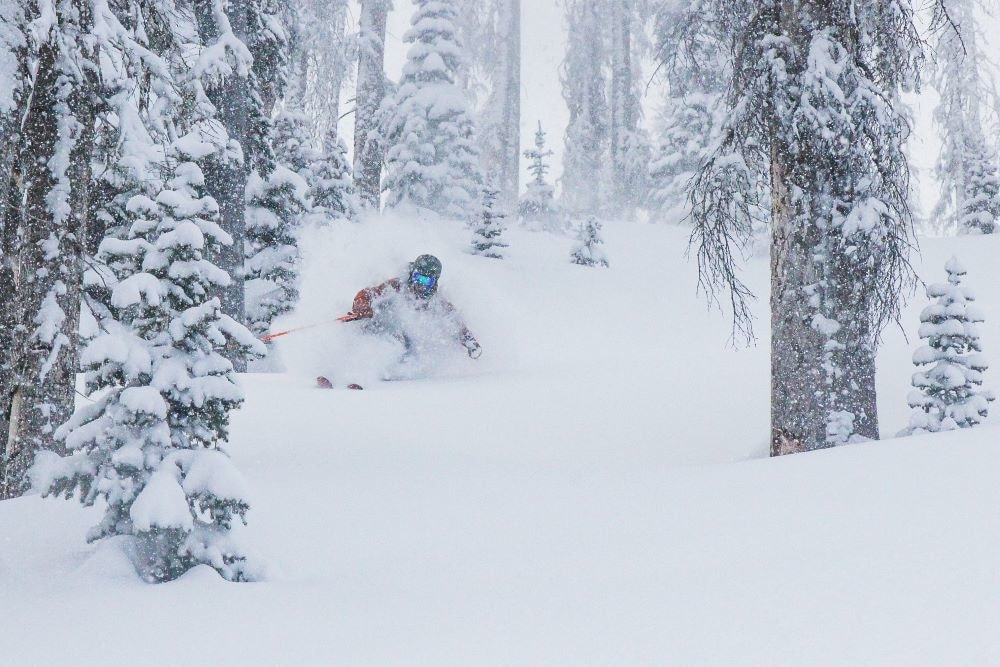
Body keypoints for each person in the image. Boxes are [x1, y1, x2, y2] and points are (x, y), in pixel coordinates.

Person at [349, 254, 482, 359]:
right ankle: (355, 362)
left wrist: (470, 342)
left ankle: (385, 371)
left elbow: (454, 323)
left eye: (426, 281)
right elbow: (368, 293)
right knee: (385, 336)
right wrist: (362, 306)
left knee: (407, 346)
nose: (420, 284)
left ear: (434, 282)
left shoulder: (437, 302)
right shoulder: (398, 285)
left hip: (401, 339)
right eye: (417, 277)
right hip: (379, 323)